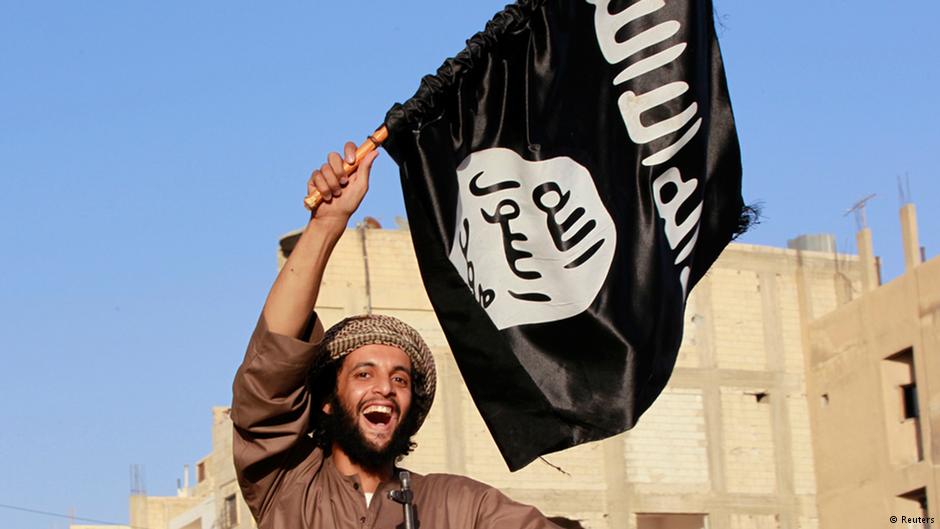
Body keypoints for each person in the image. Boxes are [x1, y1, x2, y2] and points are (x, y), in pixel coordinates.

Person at [231, 142, 562, 529]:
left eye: (400, 379)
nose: (385, 388)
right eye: (363, 374)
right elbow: (270, 370)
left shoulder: (459, 507)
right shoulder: (290, 488)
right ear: (326, 400)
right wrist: (326, 224)